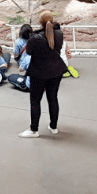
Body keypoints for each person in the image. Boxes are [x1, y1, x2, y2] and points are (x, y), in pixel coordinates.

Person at [18, 10, 68, 138]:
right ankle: (53, 126)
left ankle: (34, 129)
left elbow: (28, 53)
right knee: (53, 98)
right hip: (56, 71)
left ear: (40, 22)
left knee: (35, 101)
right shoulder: (59, 34)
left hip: (38, 73)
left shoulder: (34, 38)